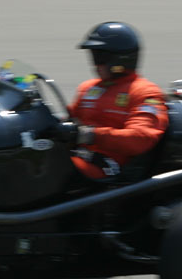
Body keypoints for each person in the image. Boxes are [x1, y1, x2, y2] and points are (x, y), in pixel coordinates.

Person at [68, 21, 169, 180]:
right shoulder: (88, 88)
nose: (96, 64)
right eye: (94, 57)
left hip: (108, 166)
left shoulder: (145, 92)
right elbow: (67, 121)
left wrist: (90, 135)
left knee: (54, 170)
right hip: (77, 156)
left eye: (100, 57)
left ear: (121, 59)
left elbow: (140, 138)